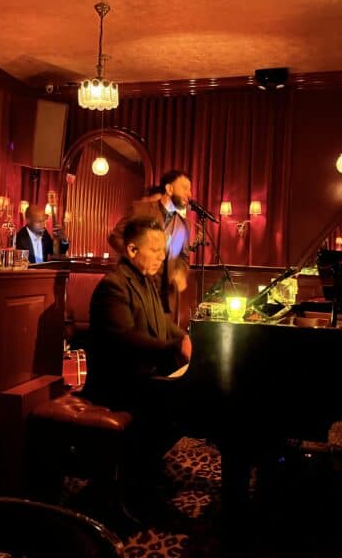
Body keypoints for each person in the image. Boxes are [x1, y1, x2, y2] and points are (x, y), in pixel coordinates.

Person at [83, 216, 192, 519]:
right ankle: (140, 493)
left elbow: (163, 324)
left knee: (184, 403)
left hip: (142, 379)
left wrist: (183, 337)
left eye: (163, 251)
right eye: (155, 250)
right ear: (132, 250)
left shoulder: (145, 280)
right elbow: (125, 339)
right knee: (173, 407)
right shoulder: (113, 286)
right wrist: (174, 349)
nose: (161, 257)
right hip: (116, 386)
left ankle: (145, 472)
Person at [108, 170, 192, 324]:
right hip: (136, 288)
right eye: (185, 188)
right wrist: (136, 257)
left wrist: (181, 272)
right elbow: (115, 237)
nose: (189, 194)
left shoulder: (184, 224)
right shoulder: (140, 209)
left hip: (166, 299)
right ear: (169, 189)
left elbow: (184, 257)